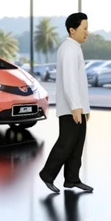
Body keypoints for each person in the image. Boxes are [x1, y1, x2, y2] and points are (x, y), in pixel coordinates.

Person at [39, 13, 93, 194]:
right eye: (84, 28)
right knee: (66, 143)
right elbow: (69, 81)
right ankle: (47, 174)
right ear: (72, 30)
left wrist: (84, 107)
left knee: (77, 143)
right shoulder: (69, 49)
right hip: (71, 108)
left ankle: (72, 179)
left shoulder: (74, 47)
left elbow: (79, 82)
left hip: (77, 107)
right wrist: (76, 106)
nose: (87, 32)